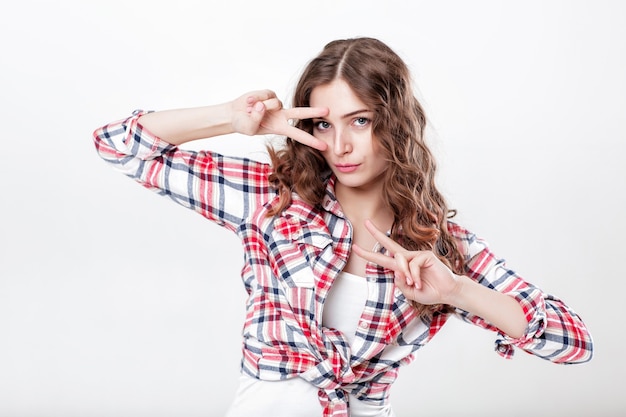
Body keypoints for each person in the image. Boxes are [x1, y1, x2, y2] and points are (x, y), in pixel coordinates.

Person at [93, 37, 593, 417]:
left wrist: (458, 290)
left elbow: (574, 343)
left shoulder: (439, 248)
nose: (341, 146)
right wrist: (229, 117)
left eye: (360, 121)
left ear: (394, 124)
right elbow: (116, 143)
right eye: (324, 125)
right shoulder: (274, 199)